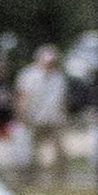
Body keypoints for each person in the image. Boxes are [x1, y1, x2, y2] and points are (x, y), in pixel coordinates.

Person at [15, 46, 70, 180]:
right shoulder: (28, 75)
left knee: (60, 150)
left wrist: (64, 116)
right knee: (33, 151)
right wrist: (21, 115)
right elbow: (22, 96)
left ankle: (59, 178)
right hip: (34, 118)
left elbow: (62, 99)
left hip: (54, 118)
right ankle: (32, 178)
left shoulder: (58, 77)